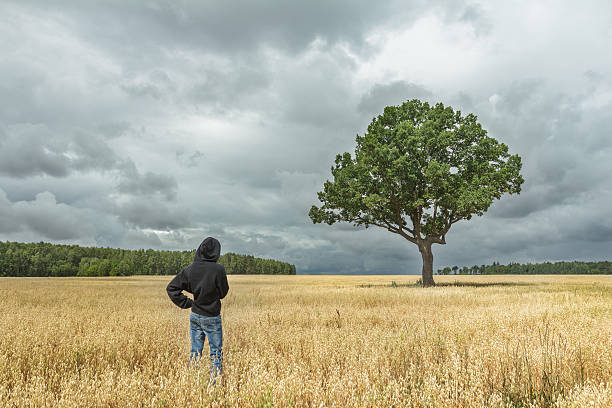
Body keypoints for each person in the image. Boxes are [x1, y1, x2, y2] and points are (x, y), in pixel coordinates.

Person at [166, 237, 229, 380]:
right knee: (216, 353)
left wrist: (188, 303)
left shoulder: (191, 268)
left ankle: (193, 382)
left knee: (195, 351)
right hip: (212, 317)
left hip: (195, 316)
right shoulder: (218, 270)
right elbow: (224, 293)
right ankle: (215, 387)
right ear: (216, 252)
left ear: (200, 249)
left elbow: (172, 288)